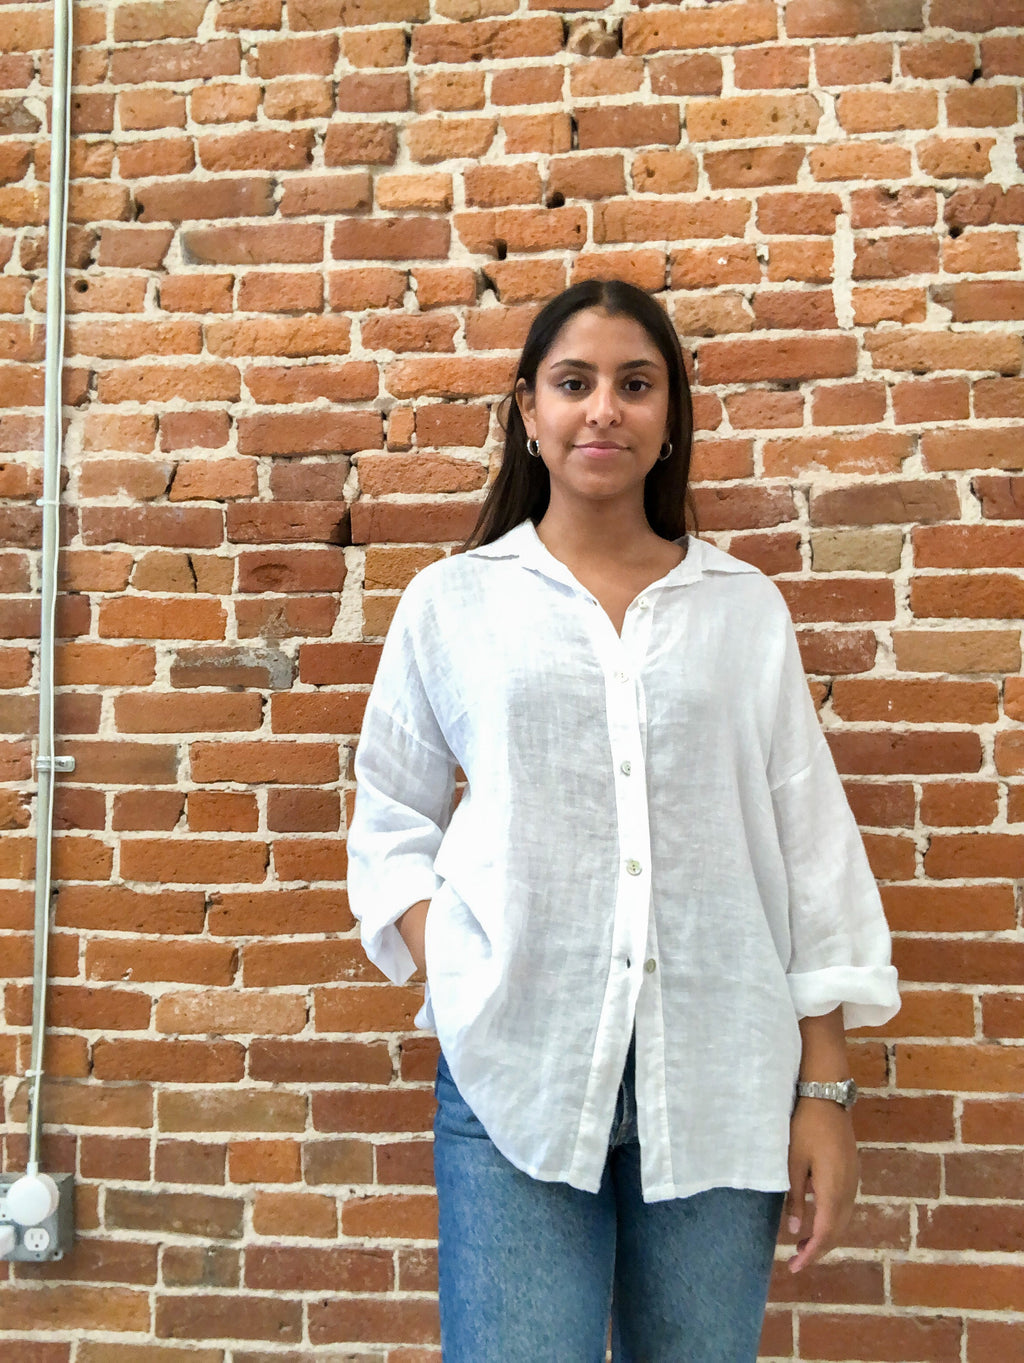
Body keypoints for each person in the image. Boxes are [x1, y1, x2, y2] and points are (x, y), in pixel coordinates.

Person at [347, 278, 900, 1363]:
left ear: (669, 414)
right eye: (574, 382)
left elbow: (808, 846)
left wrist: (824, 1089)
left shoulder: (741, 610)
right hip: (516, 1072)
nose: (604, 408)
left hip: (721, 1075)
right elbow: (390, 813)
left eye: (635, 384)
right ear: (529, 410)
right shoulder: (453, 602)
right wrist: (452, 958)